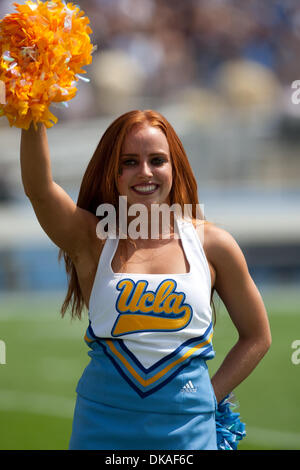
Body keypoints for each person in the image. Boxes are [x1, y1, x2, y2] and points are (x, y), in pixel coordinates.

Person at [20, 109, 271, 450]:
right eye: (129, 162)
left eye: (157, 160)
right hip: (102, 427)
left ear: (174, 166)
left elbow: (257, 336)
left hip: (188, 433)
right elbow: (39, 190)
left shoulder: (213, 244)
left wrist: (207, 398)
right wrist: (33, 107)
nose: (145, 172)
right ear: (113, 170)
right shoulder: (92, 239)